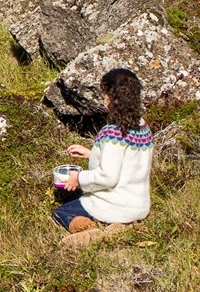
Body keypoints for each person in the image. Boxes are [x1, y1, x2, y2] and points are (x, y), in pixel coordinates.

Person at [51, 68, 153, 246]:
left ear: (111, 99)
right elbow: (128, 160)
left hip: (115, 205)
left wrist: (79, 177)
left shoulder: (113, 132)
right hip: (139, 205)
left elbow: (108, 177)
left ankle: (91, 232)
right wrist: (91, 153)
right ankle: (120, 227)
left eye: (104, 95)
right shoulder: (142, 126)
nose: (103, 100)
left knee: (62, 212)